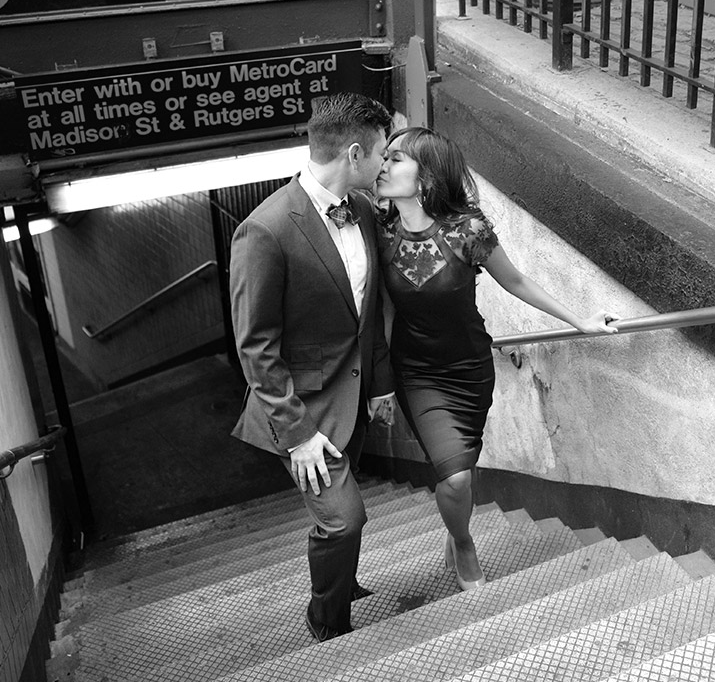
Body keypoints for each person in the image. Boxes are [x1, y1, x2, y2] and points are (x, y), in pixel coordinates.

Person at [373, 126, 617, 590]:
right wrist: (380, 380)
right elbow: (381, 312)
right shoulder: (379, 232)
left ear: (426, 175)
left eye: (395, 158)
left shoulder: (469, 232)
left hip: (470, 370)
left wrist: (580, 321)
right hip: (416, 373)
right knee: (458, 478)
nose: (382, 166)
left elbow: (517, 282)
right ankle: (464, 546)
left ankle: (454, 530)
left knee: (459, 467)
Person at [229, 92, 397, 642]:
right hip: (301, 410)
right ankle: (327, 621)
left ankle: (343, 583)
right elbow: (256, 346)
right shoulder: (265, 230)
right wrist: (298, 435)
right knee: (343, 519)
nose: (386, 163)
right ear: (354, 154)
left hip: (352, 395)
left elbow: (366, 311)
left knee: (351, 519)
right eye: (381, 153)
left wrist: (379, 384)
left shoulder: (366, 211)